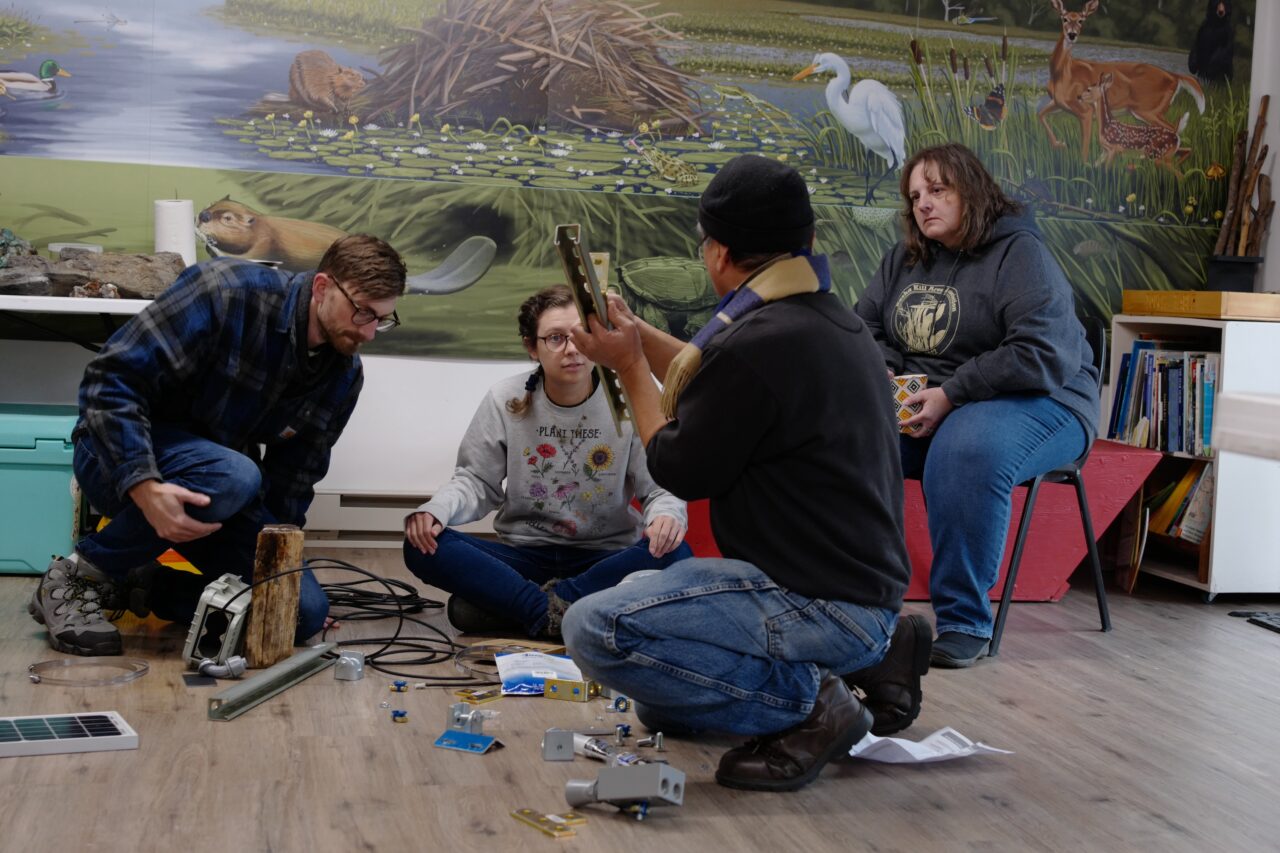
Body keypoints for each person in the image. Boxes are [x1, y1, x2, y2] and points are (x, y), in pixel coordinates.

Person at [563, 154, 930, 793]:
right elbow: (719, 379)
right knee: (663, 702)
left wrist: (626, 367)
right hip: (860, 591)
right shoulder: (822, 321)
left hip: (814, 599)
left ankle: (816, 706)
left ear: (718, 253)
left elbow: (676, 462)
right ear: (807, 242)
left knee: (596, 629)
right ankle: (877, 652)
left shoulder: (759, 340)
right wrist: (637, 334)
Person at [29, 234, 407, 656]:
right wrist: (143, 484)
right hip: (116, 458)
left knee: (299, 614)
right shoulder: (225, 291)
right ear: (322, 287)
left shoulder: (342, 377)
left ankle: (146, 583)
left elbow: (293, 482)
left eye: (382, 319)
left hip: (217, 491)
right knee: (233, 473)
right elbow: (110, 381)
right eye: (362, 313)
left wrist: (279, 573)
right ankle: (80, 576)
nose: (371, 333)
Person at [855, 142, 1100, 668]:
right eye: (915, 195)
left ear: (973, 190)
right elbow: (866, 326)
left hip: (1043, 399)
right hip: (938, 399)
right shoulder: (904, 259)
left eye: (938, 190)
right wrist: (888, 373)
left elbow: (1043, 354)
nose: (923, 204)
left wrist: (952, 394)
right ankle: (851, 605)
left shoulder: (1020, 253)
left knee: (968, 447)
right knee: (844, 440)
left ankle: (965, 621)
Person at [403, 284, 692, 639]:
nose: (572, 350)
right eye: (556, 338)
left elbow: (661, 487)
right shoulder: (504, 399)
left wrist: (666, 516)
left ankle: (531, 610)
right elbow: (476, 481)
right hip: (525, 556)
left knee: (676, 553)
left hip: (605, 558)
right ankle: (569, 615)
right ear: (531, 347)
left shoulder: (629, 397)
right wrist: (435, 512)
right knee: (421, 547)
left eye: (582, 336)